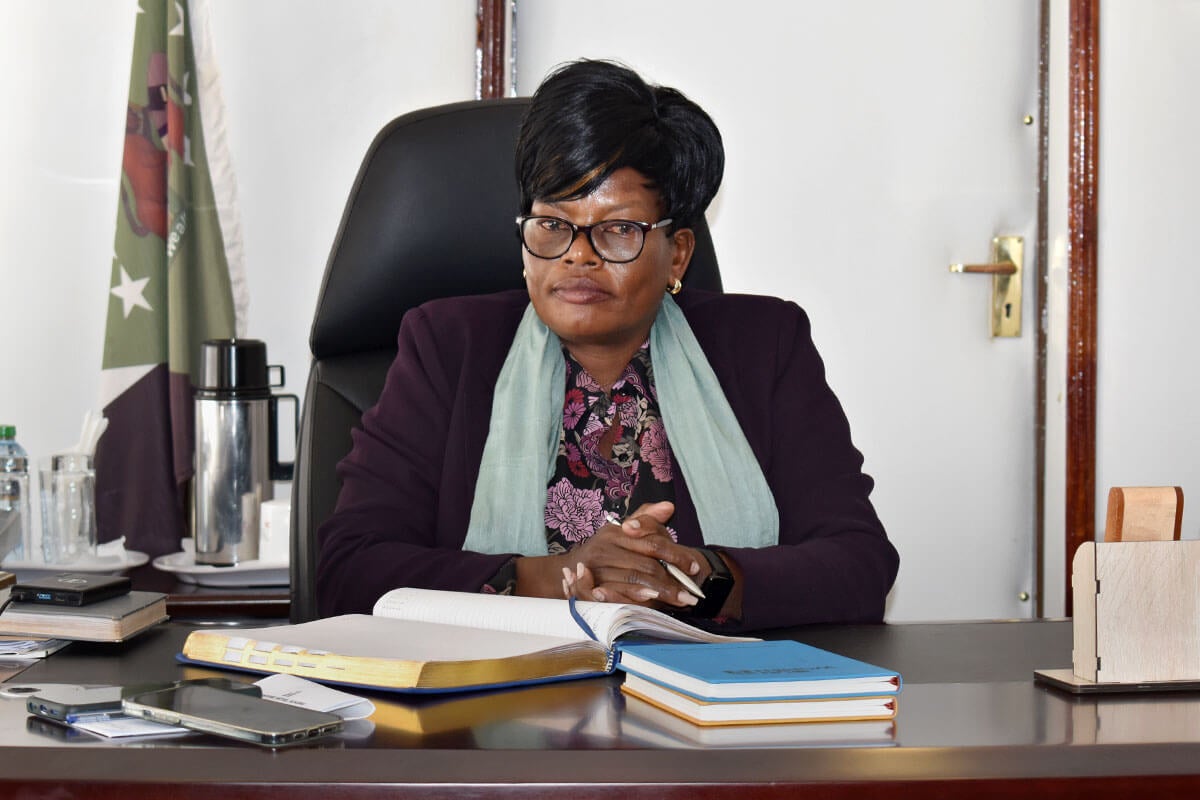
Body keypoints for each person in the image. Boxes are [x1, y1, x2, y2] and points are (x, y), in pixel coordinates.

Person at [316, 60, 898, 632]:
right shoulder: (448, 348)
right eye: (552, 224)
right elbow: (352, 569)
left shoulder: (764, 345)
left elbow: (859, 563)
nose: (578, 254)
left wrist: (697, 576)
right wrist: (556, 578)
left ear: (678, 254)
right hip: (491, 712)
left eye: (618, 229)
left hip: (709, 707)